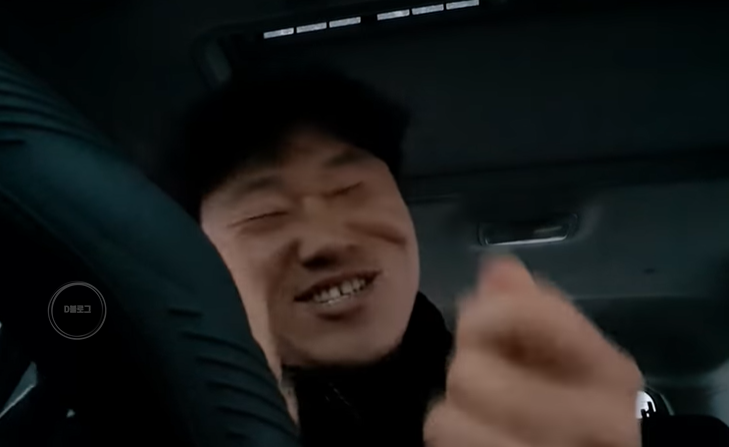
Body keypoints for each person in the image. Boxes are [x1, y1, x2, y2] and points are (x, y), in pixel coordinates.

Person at [171, 66, 643, 447]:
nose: (326, 241)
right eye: (264, 214)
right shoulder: (166, 414)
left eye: (350, 189)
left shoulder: (524, 407)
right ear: (195, 256)